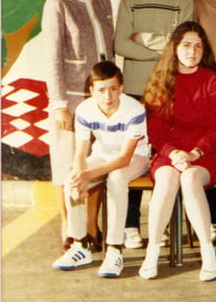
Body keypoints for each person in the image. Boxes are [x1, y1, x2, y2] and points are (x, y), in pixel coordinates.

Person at [115, 0, 193, 248]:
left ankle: (167, 225)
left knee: (169, 156)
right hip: (135, 91)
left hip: (170, 89)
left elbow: (183, 45)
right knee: (135, 157)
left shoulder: (184, 1)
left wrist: (143, 39)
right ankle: (131, 225)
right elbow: (121, 43)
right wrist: (162, 49)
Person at [139, 22, 216, 281]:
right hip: (169, 153)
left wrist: (195, 153)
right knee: (167, 179)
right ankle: (152, 252)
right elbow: (155, 129)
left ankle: (207, 252)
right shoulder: (161, 80)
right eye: (186, 45)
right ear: (175, 48)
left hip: (204, 154)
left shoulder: (212, 80)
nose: (192, 51)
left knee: (189, 179)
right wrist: (174, 154)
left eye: (198, 46)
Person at [42, 0, 114, 251]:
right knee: (68, 165)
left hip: (102, 100)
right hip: (71, 99)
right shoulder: (57, 3)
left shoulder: (103, 1)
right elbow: (52, 58)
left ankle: (90, 226)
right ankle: (69, 229)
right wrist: (58, 104)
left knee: (95, 163)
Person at [51, 62, 149, 278]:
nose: (108, 96)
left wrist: (89, 174)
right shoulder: (84, 109)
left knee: (116, 179)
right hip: (102, 155)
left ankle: (114, 249)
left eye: (113, 89)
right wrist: (80, 176)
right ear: (92, 90)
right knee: (71, 180)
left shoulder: (134, 109)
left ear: (121, 88)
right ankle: (80, 246)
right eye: (101, 90)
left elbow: (124, 158)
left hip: (135, 158)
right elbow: (80, 152)